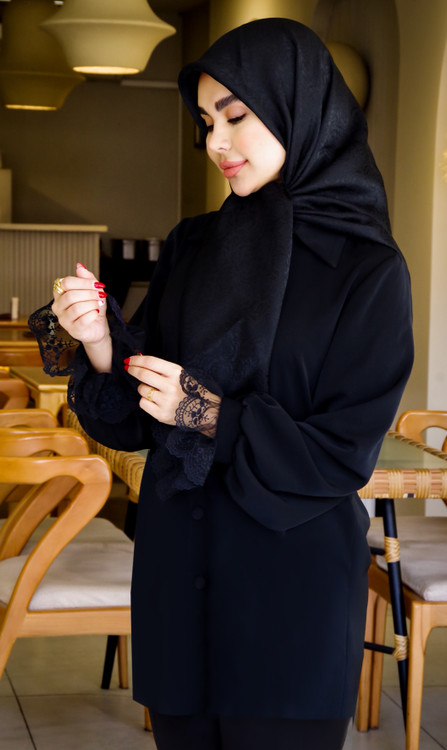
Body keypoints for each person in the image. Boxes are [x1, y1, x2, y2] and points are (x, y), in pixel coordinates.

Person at [30, 18, 413, 750]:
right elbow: (135, 420)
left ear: (299, 108)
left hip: (289, 601)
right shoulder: (194, 245)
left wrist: (207, 413)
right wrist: (101, 342)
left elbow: (341, 455)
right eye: (206, 122)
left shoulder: (366, 269)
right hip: (179, 580)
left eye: (235, 116)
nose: (215, 142)